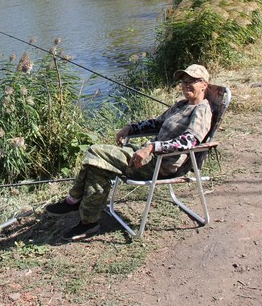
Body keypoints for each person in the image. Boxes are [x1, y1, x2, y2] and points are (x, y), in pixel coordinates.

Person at [45, 64, 214, 241]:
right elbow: (156, 123)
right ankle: (88, 222)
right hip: (150, 157)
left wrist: (151, 148)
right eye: (184, 81)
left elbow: (189, 141)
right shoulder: (181, 105)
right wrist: (131, 128)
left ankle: (73, 201)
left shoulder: (202, 109)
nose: (186, 84)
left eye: (192, 81)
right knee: (96, 166)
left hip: (160, 165)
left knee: (95, 151)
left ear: (204, 84)